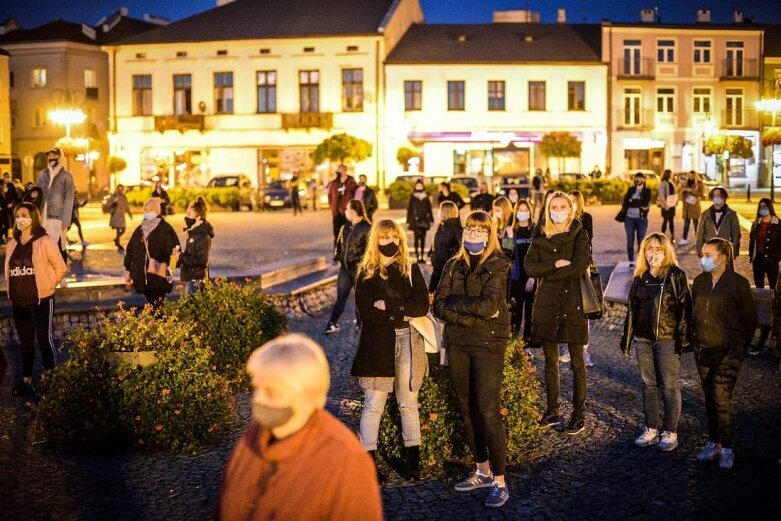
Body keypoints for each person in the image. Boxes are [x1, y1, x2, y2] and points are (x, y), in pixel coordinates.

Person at [215, 334, 382, 521]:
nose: (258, 400)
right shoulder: (252, 438)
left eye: (271, 392)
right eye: (257, 388)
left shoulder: (346, 463)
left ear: (307, 395)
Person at [433, 210, 512, 508]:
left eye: (480, 231)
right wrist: (468, 314)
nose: (474, 235)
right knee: (467, 408)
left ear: (490, 234)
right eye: (470, 229)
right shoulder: (453, 265)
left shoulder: (499, 263)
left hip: (489, 343)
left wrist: (457, 307)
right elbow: (440, 305)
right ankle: (481, 469)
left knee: (488, 410)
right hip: (459, 343)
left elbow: (491, 304)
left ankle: (500, 480)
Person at [352, 218, 429, 482]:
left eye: (395, 238)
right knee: (374, 404)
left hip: (407, 341)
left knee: (408, 403)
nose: (391, 243)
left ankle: (413, 464)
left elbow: (421, 306)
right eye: (385, 238)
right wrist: (400, 310)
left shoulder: (409, 268)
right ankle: (368, 464)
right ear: (376, 240)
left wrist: (390, 307)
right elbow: (366, 313)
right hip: (377, 345)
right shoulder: (365, 273)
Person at [525, 192, 590, 435]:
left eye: (563, 206)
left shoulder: (579, 234)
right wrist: (554, 264)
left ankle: (578, 414)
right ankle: (552, 411)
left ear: (571, 209)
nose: (558, 210)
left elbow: (579, 267)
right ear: (547, 209)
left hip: (572, 303)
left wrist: (548, 273)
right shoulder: (539, 235)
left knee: (577, 363)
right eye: (554, 206)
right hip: (547, 304)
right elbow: (530, 267)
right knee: (550, 362)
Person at [621, 233, 692, 452]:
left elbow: (685, 308)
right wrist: (628, 338)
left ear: (666, 251)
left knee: (669, 385)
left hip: (667, 339)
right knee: (649, 384)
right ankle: (651, 428)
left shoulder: (675, 275)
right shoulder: (640, 277)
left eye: (658, 249)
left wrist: (683, 340)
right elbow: (632, 310)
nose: (653, 253)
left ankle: (670, 431)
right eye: (649, 248)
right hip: (643, 339)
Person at [692, 238, 757, 470]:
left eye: (709, 254)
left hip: (729, 349)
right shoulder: (699, 282)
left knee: (721, 396)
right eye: (703, 254)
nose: (704, 259)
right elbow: (693, 312)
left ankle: (728, 448)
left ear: (723, 257)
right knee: (709, 398)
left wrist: (739, 344)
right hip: (703, 349)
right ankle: (714, 443)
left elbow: (750, 319)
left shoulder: (738, 283)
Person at [4, 202, 67, 396]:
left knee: (44, 340)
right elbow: (8, 270)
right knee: (25, 343)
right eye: (17, 215)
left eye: (23, 214)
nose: (19, 218)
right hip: (19, 301)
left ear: (33, 217)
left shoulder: (44, 240)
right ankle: (26, 380)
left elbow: (61, 268)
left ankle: (52, 380)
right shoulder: (12, 243)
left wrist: (47, 285)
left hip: (41, 300)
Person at [123, 198, 180, 309]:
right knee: (153, 309)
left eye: (151, 209)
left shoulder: (165, 229)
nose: (148, 212)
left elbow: (175, 251)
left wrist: (170, 272)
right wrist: (127, 269)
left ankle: (160, 325)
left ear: (158, 212)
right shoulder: (140, 230)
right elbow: (130, 251)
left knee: (157, 309)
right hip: (142, 279)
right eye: (146, 209)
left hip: (158, 278)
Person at [325, 199, 371, 334]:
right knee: (341, 296)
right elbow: (338, 244)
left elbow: (370, 250)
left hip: (359, 268)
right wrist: (338, 256)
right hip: (344, 268)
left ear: (354, 211)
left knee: (360, 297)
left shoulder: (367, 228)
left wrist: (362, 263)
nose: (345, 211)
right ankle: (332, 323)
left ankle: (360, 324)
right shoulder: (345, 227)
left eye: (347, 209)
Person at [562, 190, 594, 368]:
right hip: (565, 267)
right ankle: (568, 348)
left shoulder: (586, 218)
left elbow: (588, 242)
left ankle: (583, 349)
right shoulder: (562, 220)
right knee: (566, 307)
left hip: (582, 266)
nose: (572, 204)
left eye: (574, 201)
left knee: (583, 308)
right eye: (569, 201)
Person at [36, 147, 75, 261]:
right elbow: (38, 192)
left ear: (60, 158)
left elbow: (69, 199)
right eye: (50, 156)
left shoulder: (67, 176)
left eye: (54, 156)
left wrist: (66, 219)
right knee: (44, 245)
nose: (51, 158)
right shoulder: (43, 174)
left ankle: (60, 273)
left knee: (58, 245)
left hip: (58, 217)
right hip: (43, 216)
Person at [508, 199, 536, 346]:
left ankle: (527, 342)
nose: (523, 213)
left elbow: (539, 255)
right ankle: (513, 342)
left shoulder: (535, 230)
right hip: (516, 277)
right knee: (515, 311)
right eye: (520, 210)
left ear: (530, 212)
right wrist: (508, 238)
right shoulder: (511, 231)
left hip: (531, 277)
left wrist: (533, 276)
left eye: (526, 210)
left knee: (530, 311)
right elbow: (507, 256)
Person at [177, 196, 214, 295]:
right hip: (191, 278)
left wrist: (182, 256)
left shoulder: (202, 236)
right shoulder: (194, 233)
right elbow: (190, 256)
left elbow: (202, 261)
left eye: (189, 214)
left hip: (196, 280)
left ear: (198, 217)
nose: (186, 217)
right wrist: (178, 257)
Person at [696, 186, 740, 258]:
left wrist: (733, 253)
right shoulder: (705, 215)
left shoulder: (731, 215)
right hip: (709, 253)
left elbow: (736, 236)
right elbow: (700, 235)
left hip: (725, 253)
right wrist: (700, 253)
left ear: (724, 197)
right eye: (714, 195)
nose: (716, 197)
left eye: (718, 195)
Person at [429, 201, 462, 293]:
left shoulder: (448, 229)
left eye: (440, 210)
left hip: (443, 269)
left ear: (444, 212)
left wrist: (435, 259)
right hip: (442, 267)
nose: (438, 213)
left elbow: (443, 250)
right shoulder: (444, 227)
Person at [622, 172, 652, 263]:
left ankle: (640, 261)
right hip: (629, 218)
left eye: (640, 178)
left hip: (641, 219)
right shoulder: (630, 190)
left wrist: (633, 201)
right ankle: (631, 261)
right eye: (636, 178)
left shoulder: (647, 191)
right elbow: (626, 202)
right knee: (630, 240)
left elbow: (645, 203)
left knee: (641, 241)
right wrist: (638, 202)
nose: (638, 180)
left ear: (644, 179)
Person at [327, 164, 357, 247]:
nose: (338, 172)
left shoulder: (351, 182)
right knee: (336, 232)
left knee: (347, 231)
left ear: (344, 171)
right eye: (338, 171)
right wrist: (332, 207)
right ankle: (337, 251)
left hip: (347, 211)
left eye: (340, 170)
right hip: (336, 212)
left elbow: (355, 196)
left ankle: (347, 250)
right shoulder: (334, 182)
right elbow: (330, 195)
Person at [406, 180, 434, 263]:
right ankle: (417, 257)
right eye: (417, 186)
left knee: (423, 239)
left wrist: (431, 220)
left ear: (423, 186)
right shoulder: (412, 196)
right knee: (416, 239)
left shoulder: (426, 196)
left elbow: (429, 209)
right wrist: (408, 220)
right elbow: (409, 209)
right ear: (415, 186)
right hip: (415, 220)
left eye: (420, 185)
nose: (418, 187)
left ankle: (422, 257)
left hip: (424, 220)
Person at [678, 171, 704, 246]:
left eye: (692, 176)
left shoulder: (699, 183)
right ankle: (684, 239)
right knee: (686, 224)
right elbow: (681, 194)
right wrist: (682, 190)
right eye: (689, 176)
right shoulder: (685, 183)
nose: (690, 177)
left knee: (696, 224)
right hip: (686, 206)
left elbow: (702, 194)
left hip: (694, 206)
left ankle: (697, 240)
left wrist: (691, 191)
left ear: (695, 176)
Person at [107, 185, 133, 252]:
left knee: (123, 229)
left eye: (121, 190)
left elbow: (127, 206)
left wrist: (130, 214)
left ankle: (116, 239)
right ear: (117, 189)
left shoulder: (124, 197)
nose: (120, 191)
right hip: (116, 215)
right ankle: (118, 244)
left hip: (121, 216)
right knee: (118, 230)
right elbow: (108, 205)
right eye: (119, 190)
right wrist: (114, 202)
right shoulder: (114, 196)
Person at [658, 170, 677, 242]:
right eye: (671, 174)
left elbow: (674, 193)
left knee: (671, 221)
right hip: (666, 205)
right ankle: (662, 237)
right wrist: (665, 205)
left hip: (672, 205)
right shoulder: (663, 182)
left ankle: (672, 237)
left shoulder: (671, 182)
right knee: (665, 221)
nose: (672, 175)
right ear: (668, 174)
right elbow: (661, 194)